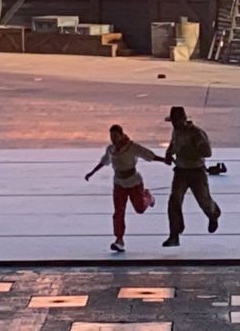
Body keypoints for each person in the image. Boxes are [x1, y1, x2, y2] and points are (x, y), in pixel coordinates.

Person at [84, 124, 169, 253]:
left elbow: (148, 155)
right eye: (111, 136)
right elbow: (104, 161)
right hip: (119, 184)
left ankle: (149, 197)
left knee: (140, 208)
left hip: (134, 182)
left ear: (122, 135)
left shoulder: (132, 147)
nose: (113, 139)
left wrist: (163, 160)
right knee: (119, 212)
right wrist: (91, 172)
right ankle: (119, 240)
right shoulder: (111, 149)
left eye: (116, 136)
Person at [162, 106, 221, 247]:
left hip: (196, 172)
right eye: (173, 122)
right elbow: (174, 142)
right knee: (174, 201)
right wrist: (169, 152)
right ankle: (174, 234)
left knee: (204, 201)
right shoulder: (176, 130)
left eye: (177, 121)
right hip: (181, 171)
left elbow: (207, 152)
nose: (175, 124)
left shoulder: (196, 133)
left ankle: (214, 214)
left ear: (184, 119)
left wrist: (189, 151)